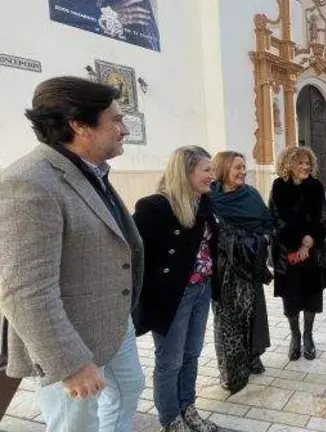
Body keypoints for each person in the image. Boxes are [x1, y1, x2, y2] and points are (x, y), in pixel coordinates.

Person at [0, 76, 144, 432]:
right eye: (116, 119)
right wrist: (70, 364)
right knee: (75, 425)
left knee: (128, 389)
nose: (124, 129)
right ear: (79, 125)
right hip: (69, 339)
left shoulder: (90, 170)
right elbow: (23, 290)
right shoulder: (29, 182)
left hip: (113, 323)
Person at [133, 146, 218, 432]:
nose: (212, 175)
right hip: (173, 296)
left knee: (192, 353)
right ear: (186, 171)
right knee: (170, 361)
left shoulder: (204, 202)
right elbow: (135, 257)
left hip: (202, 290)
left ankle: (187, 407)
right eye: (206, 169)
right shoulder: (154, 207)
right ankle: (170, 420)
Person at [209, 151, 273, 394]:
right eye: (237, 167)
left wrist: (260, 240)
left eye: (244, 167)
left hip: (249, 265)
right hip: (225, 270)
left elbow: (267, 222)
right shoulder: (210, 199)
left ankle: (253, 356)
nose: (243, 172)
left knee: (254, 312)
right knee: (227, 320)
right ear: (224, 168)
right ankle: (231, 370)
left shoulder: (251, 195)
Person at [269, 147, 326, 362]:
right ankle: (295, 336)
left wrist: (309, 242)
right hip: (287, 253)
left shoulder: (316, 186)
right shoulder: (278, 186)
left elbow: (323, 218)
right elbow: (276, 219)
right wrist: (297, 242)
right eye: (300, 163)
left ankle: (309, 336)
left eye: (308, 163)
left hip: (313, 253)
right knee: (291, 297)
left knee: (312, 295)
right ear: (288, 165)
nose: (305, 167)